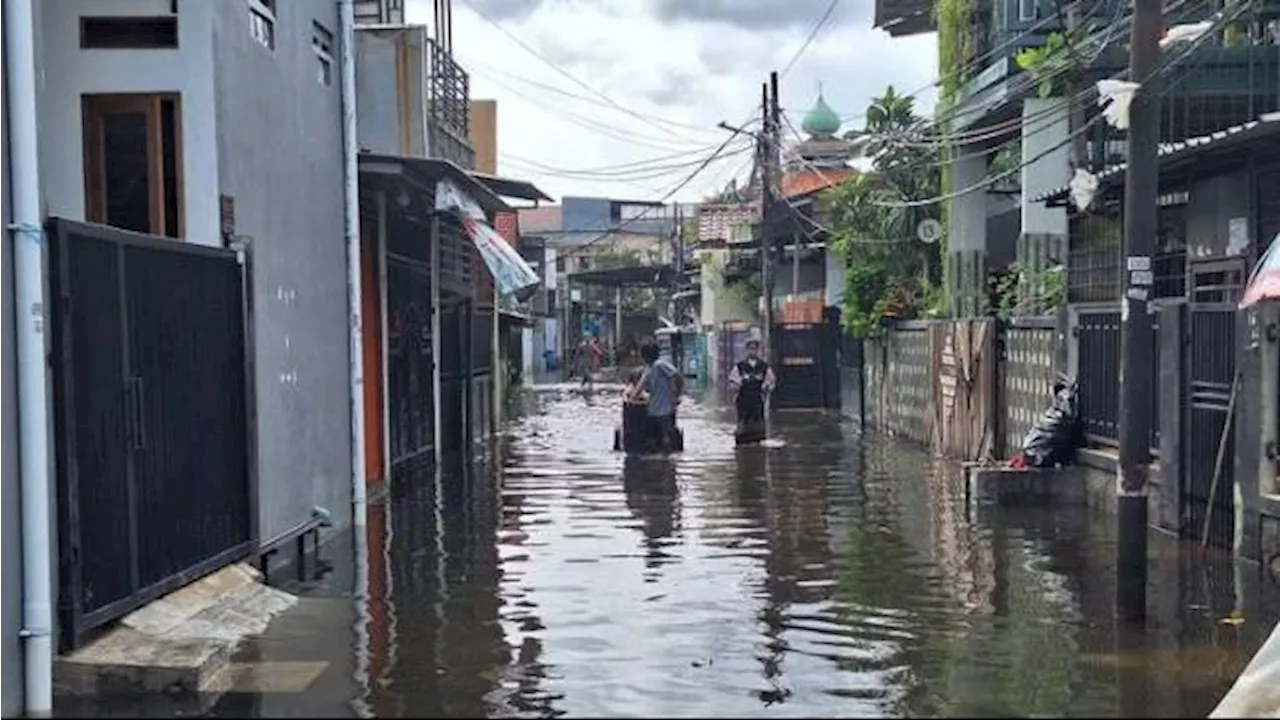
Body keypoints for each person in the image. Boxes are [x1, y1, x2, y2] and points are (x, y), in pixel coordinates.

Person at [629, 342, 684, 452]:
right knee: (663, 432)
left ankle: (670, 452)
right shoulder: (649, 369)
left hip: (664, 408)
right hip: (655, 408)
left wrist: (676, 395)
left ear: (645, 356)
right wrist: (633, 397)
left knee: (667, 432)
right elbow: (640, 387)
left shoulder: (660, 365)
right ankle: (667, 453)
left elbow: (676, 375)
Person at [727, 338, 776, 444]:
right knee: (743, 423)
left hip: (758, 399)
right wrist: (736, 386)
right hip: (743, 400)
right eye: (750, 349)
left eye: (755, 349)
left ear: (758, 350)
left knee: (758, 423)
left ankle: (757, 442)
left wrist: (766, 386)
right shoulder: (740, 366)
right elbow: (732, 382)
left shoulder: (764, 366)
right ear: (746, 350)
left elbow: (771, 381)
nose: (752, 351)